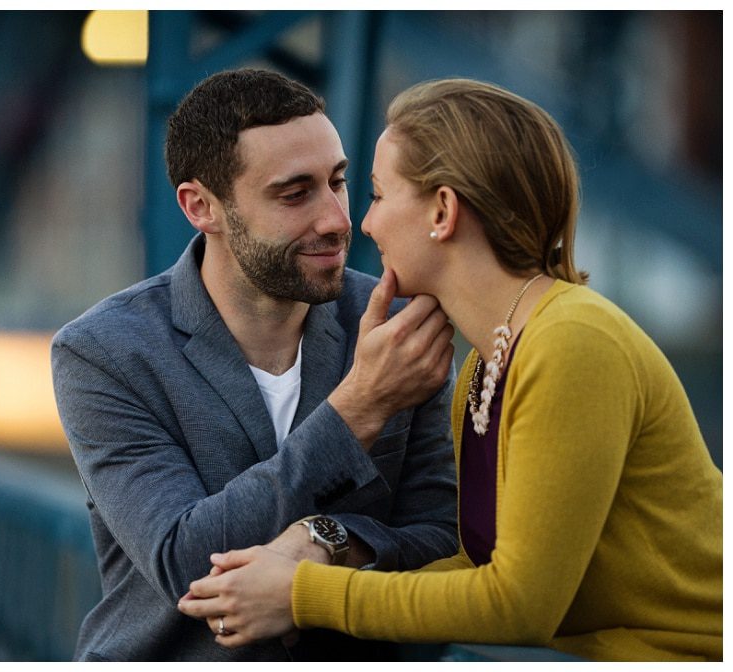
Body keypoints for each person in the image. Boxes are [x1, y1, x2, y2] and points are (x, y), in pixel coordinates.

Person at [178, 78, 723, 662]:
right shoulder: (488, 364)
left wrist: (302, 596)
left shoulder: (571, 343)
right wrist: (323, 548)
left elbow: (517, 604)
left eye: (378, 195)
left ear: (443, 211)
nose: (361, 224)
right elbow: (475, 566)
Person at [51, 68, 460, 661]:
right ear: (201, 207)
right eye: (294, 194)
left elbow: (446, 547)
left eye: (339, 183)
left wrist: (326, 542)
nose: (337, 220)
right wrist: (361, 406)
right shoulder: (105, 353)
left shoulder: (400, 325)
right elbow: (186, 562)